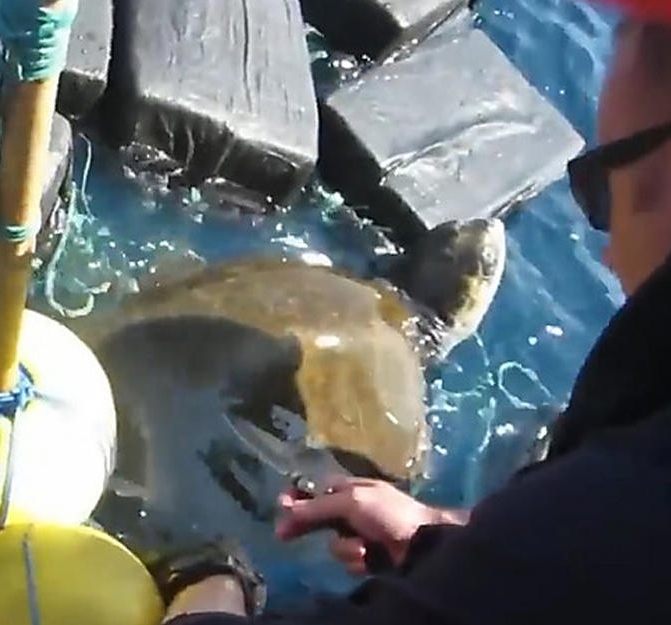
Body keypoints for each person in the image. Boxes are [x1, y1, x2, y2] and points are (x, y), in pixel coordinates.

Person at [151, 4, 671, 624]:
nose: (606, 254)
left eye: (601, 194)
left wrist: (212, 578)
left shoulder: (619, 512)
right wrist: (441, 537)